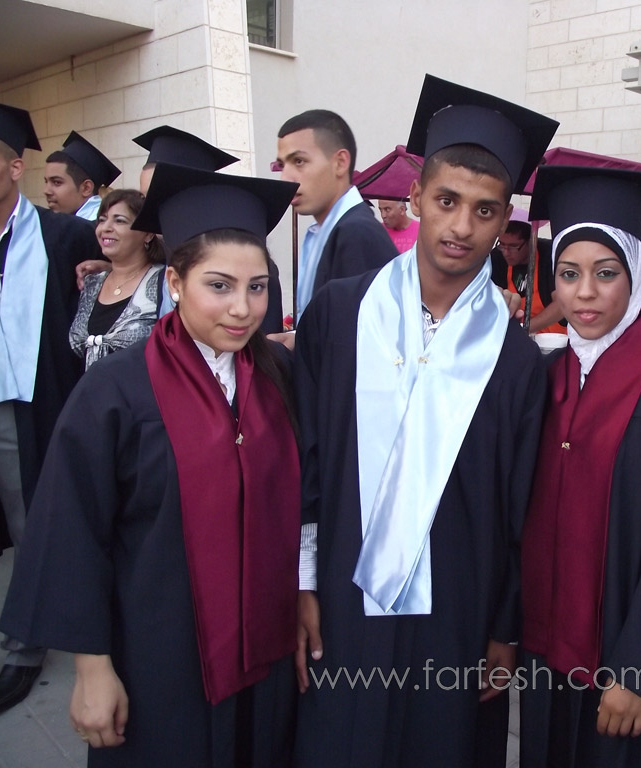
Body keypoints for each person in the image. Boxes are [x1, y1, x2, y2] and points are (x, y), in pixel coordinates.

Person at [293, 74, 557, 768]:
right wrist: (303, 579)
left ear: (505, 221)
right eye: (446, 201)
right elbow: (305, 458)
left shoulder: (516, 360)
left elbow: (520, 507)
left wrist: (504, 627)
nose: (461, 227)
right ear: (415, 197)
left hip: (457, 607)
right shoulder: (339, 315)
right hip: (345, 590)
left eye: (485, 211)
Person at [0, 164, 302, 767]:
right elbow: (72, 531)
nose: (243, 309)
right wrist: (92, 667)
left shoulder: (278, 377)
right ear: (175, 282)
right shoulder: (116, 390)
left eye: (258, 287)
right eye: (219, 285)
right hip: (159, 653)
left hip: (264, 648)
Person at [518, 165, 641, 768]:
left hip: (621, 660)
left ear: (633, 272)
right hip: (544, 651)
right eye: (568, 274)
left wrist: (638, 667)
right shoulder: (548, 374)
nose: (584, 293)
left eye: (606, 274)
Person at [0, 95, 101, 715]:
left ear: (15, 166)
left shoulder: (64, 236)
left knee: (31, 527)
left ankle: (24, 649)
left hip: (29, 406)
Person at [131, 125, 285, 334]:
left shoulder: (252, 267)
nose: (149, 207)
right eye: (144, 196)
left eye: (157, 194)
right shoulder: (151, 262)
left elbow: (263, 343)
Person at [276, 109, 397, 316]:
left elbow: (352, 330)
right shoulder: (324, 231)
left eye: (299, 161)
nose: (285, 178)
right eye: (282, 165)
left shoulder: (356, 234)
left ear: (340, 163)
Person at [69, 190, 166, 369]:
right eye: (102, 220)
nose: (106, 228)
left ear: (148, 234)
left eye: (119, 220)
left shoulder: (165, 283)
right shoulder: (91, 283)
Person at [496, 208, 565, 334]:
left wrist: (524, 329)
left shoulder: (551, 255)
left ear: (531, 241)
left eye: (513, 246)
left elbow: (561, 305)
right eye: (502, 244)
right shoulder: (497, 257)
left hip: (555, 337)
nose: (506, 252)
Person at [44, 131, 121, 220]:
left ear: (86, 188)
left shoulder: (101, 225)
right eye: (46, 181)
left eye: (57, 182)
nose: (46, 191)